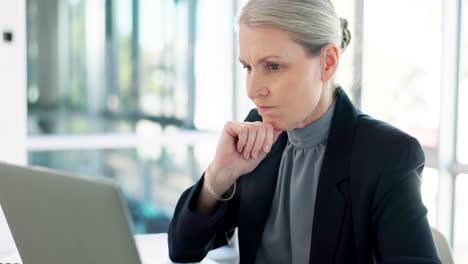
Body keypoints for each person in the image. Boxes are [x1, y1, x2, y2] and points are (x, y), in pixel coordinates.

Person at [168, 0, 441, 263]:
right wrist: (219, 175)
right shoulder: (258, 132)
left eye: (273, 66)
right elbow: (183, 250)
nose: (252, 90)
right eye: (248, 67)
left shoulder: (386, 154)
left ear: (328, 63)